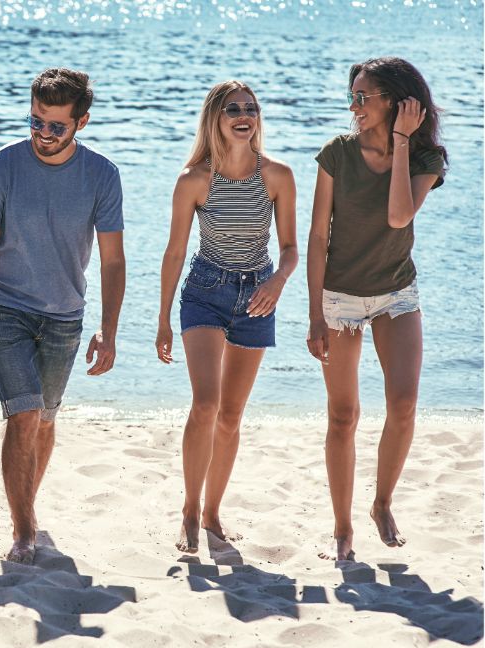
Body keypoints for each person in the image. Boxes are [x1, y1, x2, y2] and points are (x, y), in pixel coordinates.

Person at [0, 68, 126, 564]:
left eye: (56, 127)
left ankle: (25, 505)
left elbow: (113, 260)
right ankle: (23, 528)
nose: (43, 135)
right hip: (5, 307)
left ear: (81, 123)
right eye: (35, 122)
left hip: (65, 315)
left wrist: (108, 331)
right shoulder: (1, 167)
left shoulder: (102, 175)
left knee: (45, 419)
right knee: (23, 414)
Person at [306, 57, 447, 561]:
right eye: (354, 96)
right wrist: (315, 314)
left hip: (395, 292)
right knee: (343, 416)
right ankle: (342, 527)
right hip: (340, 295)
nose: (355, 106)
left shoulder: (426, 158)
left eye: (365, 97)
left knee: (404, 406)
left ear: (398, 102)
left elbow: (397, 216)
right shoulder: (336, 155)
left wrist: (404, 142)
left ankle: (381, 502)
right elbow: (318, 237)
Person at [155, 81, 298, 555]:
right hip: (205, 293)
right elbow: (175, 251)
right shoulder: (194, 179)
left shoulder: (278, 176)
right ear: (214, 119)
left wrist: (277, 281)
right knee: (206, 405)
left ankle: (214, 511)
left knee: (232, 417)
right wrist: (161, 319)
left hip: (258, 296)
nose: (244, 115)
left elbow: (292, 249)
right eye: (233, 109)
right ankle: (190, 510)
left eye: (251, 108)